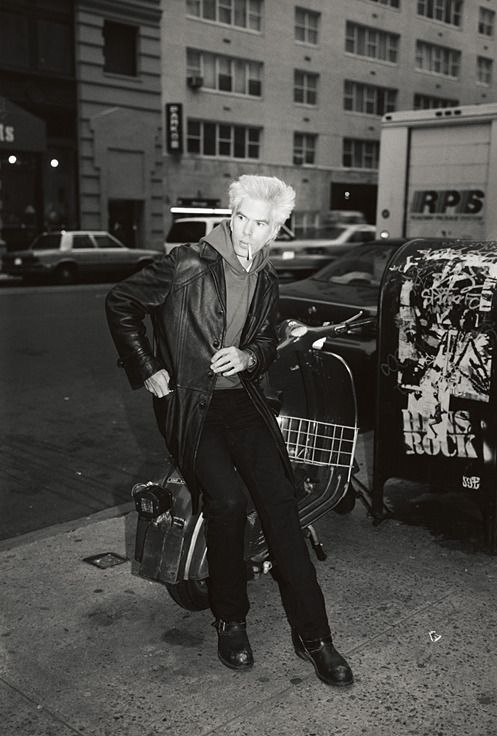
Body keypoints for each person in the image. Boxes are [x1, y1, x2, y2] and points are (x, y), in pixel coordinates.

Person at [105, 174, 353, 687]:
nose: (247, 231)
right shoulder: (186, 261)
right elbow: (122, 302)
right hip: (191, 407)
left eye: (261, 223)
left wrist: (248, 354)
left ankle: (316, 638)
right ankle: (230, 620)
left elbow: (264, 338)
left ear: (276, 229)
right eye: (241, 217)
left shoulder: (265, 280)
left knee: (280, 503)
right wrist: (148, 367)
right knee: (226, 502)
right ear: (230, 214)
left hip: (244, 402)